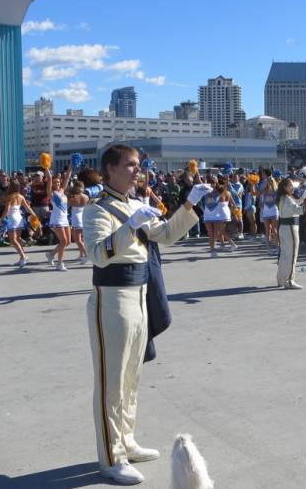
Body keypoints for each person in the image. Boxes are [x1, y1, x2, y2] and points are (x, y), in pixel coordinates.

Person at [82, 144, 210, 485]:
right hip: (112, 298)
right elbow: (97, 254)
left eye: (139, 165)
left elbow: (166, 234)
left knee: (130, 379)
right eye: (131, 165)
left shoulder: (135, 204)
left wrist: (189, 204)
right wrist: (130, 227)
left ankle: (126, 441)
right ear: (110, 169)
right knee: (111, 382)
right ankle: (111, 459)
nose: (138, 170)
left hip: (139, 296)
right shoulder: (96, 210)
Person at [276, 177, 306, 289]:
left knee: (284, 255)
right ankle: (289, 280)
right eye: (290, 185)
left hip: (284, 227)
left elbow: (295, 204)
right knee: (292, 255)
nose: (292, 187)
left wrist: (303, 198)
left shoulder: (284, 198)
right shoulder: (287, 199)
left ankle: (281, 279)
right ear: (285, 187)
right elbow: (298, 210)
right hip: (290, 228)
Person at [3, 181, 38, 268]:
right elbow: (27, 208)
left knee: (13, 240)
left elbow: (7, 210)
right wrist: (34, 215)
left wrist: (1, 218)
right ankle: (22, 257)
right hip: (19, 218)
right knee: (17, 239)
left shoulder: (9, 197)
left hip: (12, 219)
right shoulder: (21, 196)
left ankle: (23, 256)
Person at [45, 166, 73, 272]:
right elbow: (48, 179)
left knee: (68, 242)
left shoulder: (62, 191)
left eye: (58, 182)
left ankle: (51, 254)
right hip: (56, 220)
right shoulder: (51, 194)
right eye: (55, 182)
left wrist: (71, 166)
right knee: (63, 241)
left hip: (65, 219)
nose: (57, 184)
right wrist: (46, 167)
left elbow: (67, 178)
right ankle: (60, 263)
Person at [202, 176, 235, 257]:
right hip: (208, 214)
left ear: (216, 183)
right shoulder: (206, 190)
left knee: (216, 234)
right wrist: (196, 173)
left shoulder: (219, 191)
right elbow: (199, 182)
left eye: (213, 182)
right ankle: (213, 251)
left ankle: (222, 246)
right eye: (210, 182)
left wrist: (227, 180)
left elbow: (226, 187)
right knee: (211, 234)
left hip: (216, 215)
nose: (212, 184)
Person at [67, 181, 89, 263]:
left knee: (77, 239)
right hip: (83, 217)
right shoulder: (86, 197)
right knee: (81, 239)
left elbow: (68, 205)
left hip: (76, 219)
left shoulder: (73, 197)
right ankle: (81, 255)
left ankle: (86, 255)